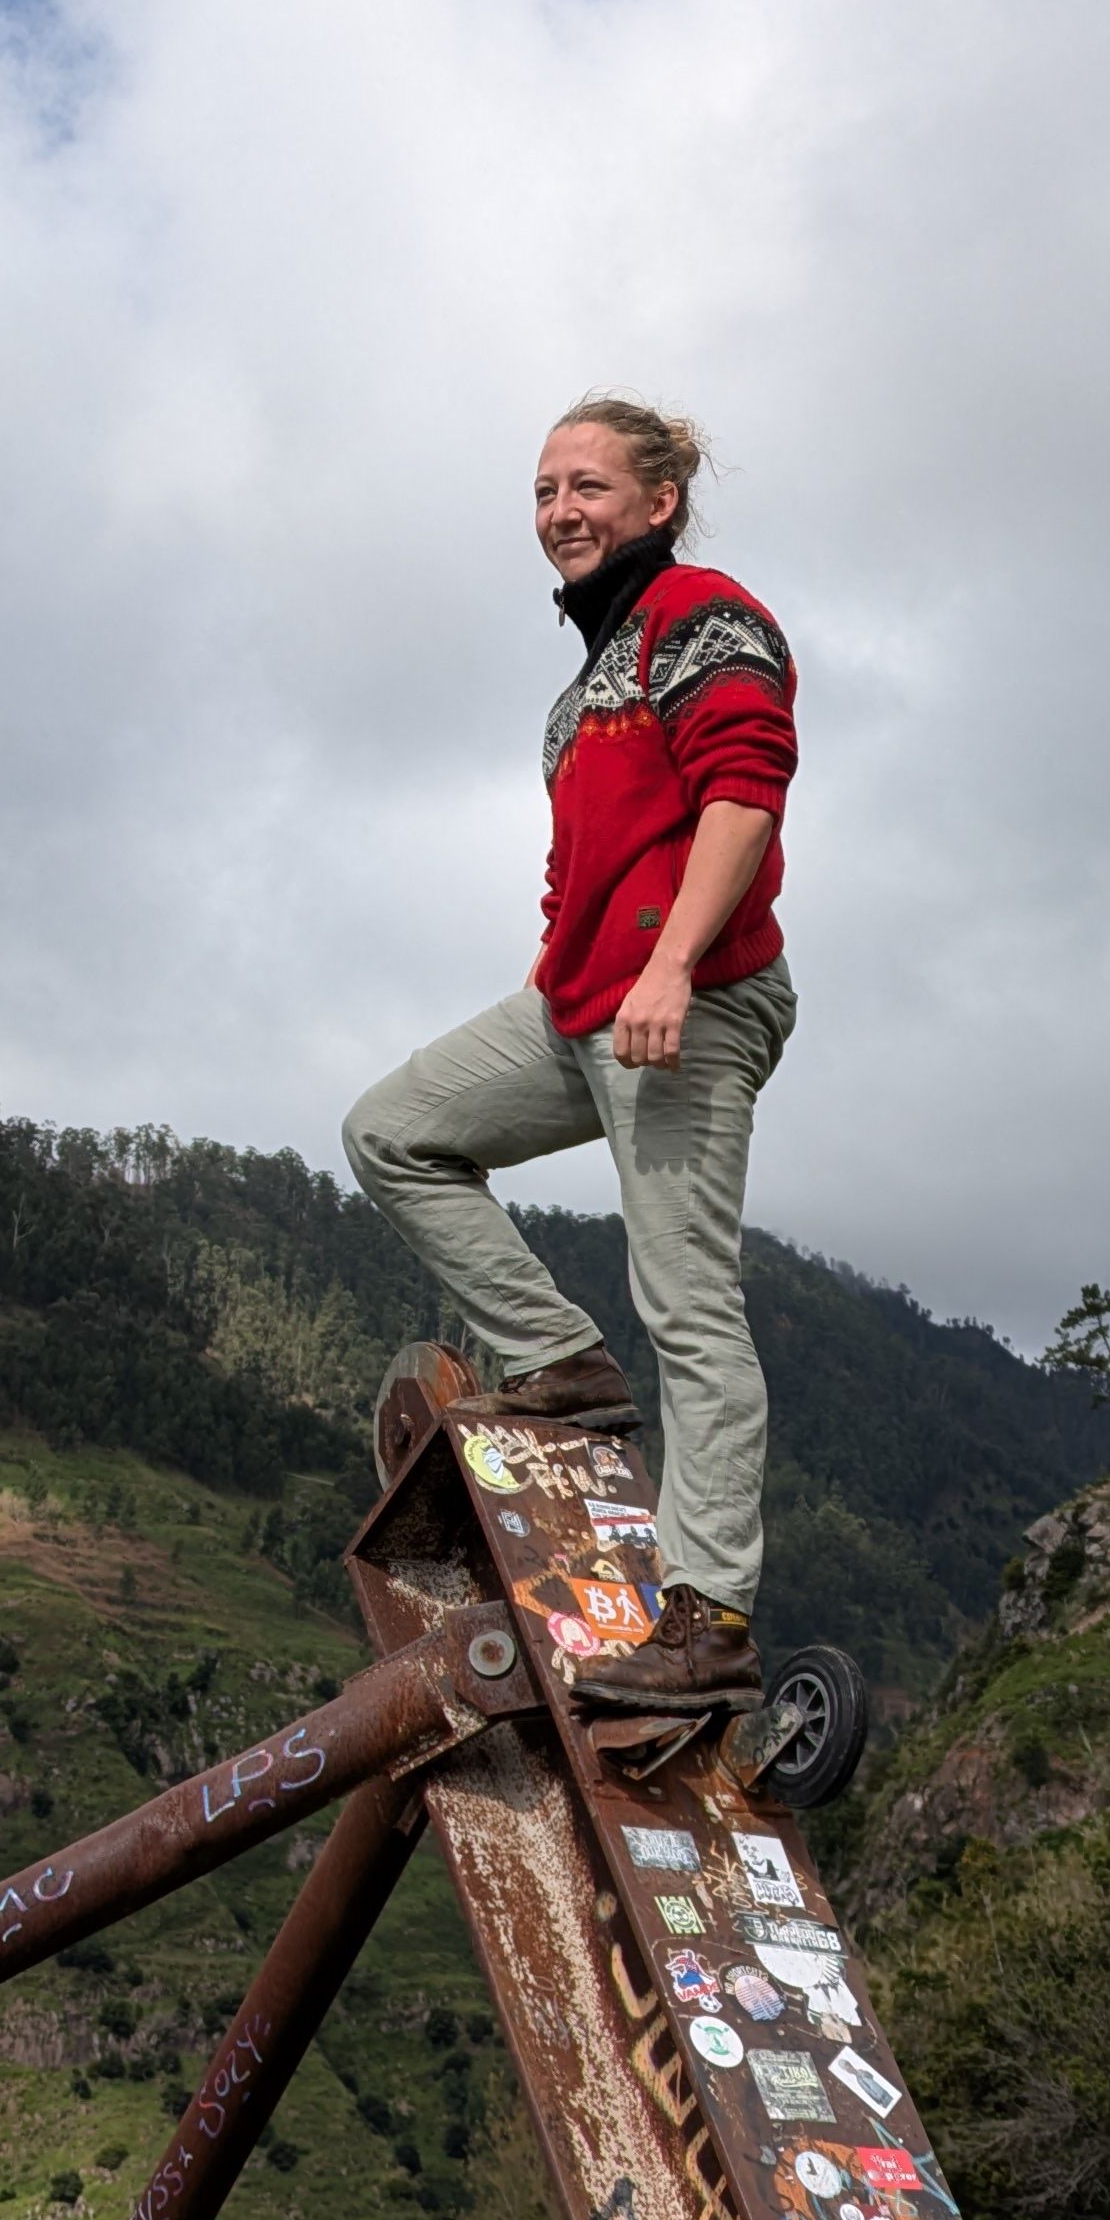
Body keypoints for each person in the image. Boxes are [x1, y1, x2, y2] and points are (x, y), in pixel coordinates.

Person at [343, 397, 796, 1712]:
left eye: (586, 486)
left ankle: (706, 1622)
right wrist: (571, 972)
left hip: (690, 1003)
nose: (558, 513)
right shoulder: (578, 695)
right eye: (543, 493)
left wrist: (669, 966)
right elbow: (581, 869)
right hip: (582, 1006)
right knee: (394, 1129)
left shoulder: (707, 618)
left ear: (659, 501)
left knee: (691, 1303)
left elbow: (746, 792)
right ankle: (556, 1360)